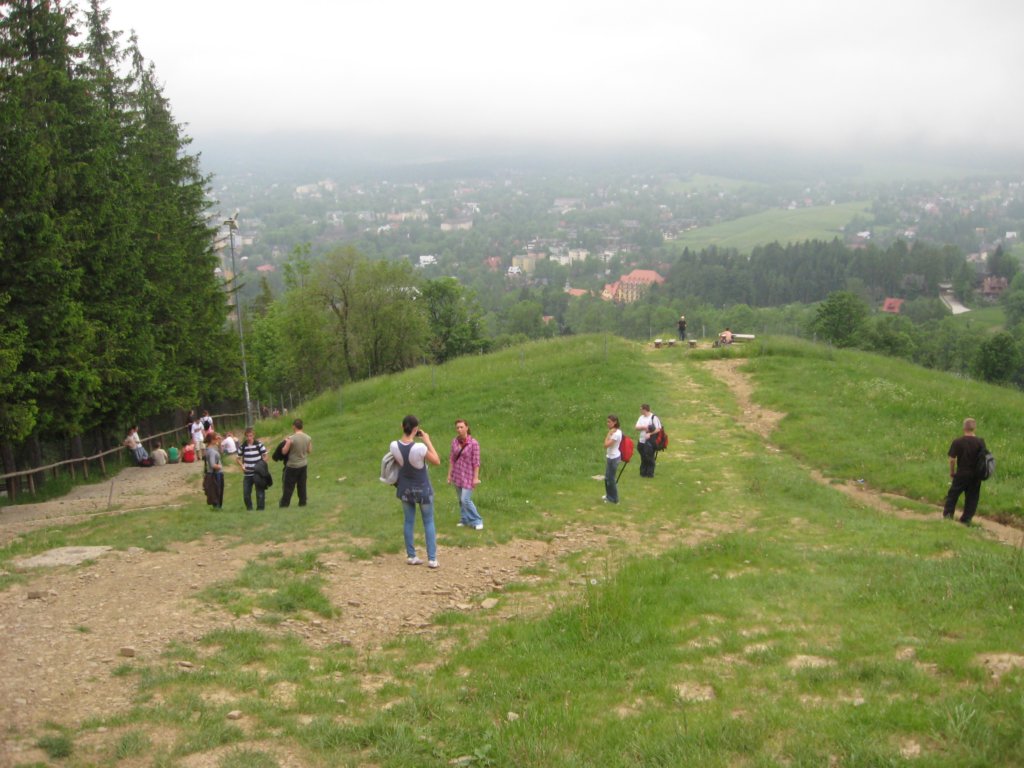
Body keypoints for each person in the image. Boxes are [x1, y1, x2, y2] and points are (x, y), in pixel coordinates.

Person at [391, 415, 440, 568]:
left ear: (402, 426)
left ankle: (411, 555)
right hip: (423, 488)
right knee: (428, 521)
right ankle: (432, 559)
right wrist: (427, 441)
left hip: (405, 488)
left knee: (408, 521)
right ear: (416, 429)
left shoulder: (393, 445)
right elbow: (436, 461)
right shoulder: (420, 448)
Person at [943, 418, 986, 525]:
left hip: (962, 473)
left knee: (953, 494)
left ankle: (948, 515)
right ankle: (966, 519)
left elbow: (952, 459)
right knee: (972, 497)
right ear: (974, 428)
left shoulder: (958, 441)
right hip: (976, 475)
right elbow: (984, 458)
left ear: (964, 428)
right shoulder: (980, 442)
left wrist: (952, 472)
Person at [447, 418, 483, 530]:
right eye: (457, 427)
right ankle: (465, 519)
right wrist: (449, 475)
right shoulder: (454, 442)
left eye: (461, 427)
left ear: (467, 427)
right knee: (460, 500)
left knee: (465, 499)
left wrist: (475, 478)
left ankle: (477, 520)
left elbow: (476, 462)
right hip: (457, 475)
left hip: (468, 476)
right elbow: (452, 459)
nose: (459, 429)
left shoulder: (474, 443)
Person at [279, 418, 312, 507]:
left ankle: (284, 504)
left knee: (288, 487)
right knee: (302, 485)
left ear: (294, 426)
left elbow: (284, 451)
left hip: (292, 466)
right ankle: (302, 503)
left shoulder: (291, 438)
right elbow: (309, 450)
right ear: (302, 426)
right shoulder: (308, 437)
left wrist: (284, 443)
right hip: (303, 465)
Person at [237, 427, 269, 511]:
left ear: (253, 435)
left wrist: (261, 465)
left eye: (250, 436)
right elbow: (238, 458)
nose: (249, 438)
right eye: (247, 436)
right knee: (246, 494)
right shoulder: (243, 446)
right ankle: (249, 509)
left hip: (258, 473)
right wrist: (242, 465)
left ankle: (260, 509)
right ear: (245, 436)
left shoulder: (259, 444)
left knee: (260, 493)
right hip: (247, 473)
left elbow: (265, 456)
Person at [635, 404, 662, 479]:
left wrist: (650, 433)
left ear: (645, 409)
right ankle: (643, 473)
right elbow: (636, 427)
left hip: (650, 441)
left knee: (650, 457)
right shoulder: (641, 417)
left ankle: (650, 473)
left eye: (641, 409)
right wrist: (644, 427)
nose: (640, 411)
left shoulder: (654, 417)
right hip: (641, 440)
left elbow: (658, 429)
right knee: (643, 457)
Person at [603, 414, 622, 504]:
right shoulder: (613, 432)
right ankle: (608, 495)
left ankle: (614, 499)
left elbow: (606, 445)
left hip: (614, 458)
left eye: (609, 422)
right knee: (607, 478)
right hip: (610, 456)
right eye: (607, 421)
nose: (608, 424)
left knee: (611, 479)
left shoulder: (617, 434)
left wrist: (608, 434)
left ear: (615, 422)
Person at [203, 432, 224, 509]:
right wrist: (219, 466)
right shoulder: (211, 451)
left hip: (215, 473)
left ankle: (217, 507)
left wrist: (220, 441)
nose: (217, 439)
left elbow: (221, 452)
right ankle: (217, 507)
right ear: (212, 440)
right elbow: (212, 464)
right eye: (216, 438)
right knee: (217, 491)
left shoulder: (211, 448)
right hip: (215, 474)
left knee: (217, 491)